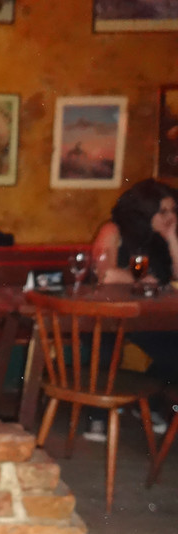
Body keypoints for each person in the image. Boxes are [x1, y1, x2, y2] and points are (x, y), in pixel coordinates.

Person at [85, 179, 178, 439]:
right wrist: (139, 279)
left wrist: (172, 238)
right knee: (105, 346)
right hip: (108, 313)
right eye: (163, 211)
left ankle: (149, 402)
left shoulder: (162, 238)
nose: (170, 217)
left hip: (149, 317)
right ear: (144, 210)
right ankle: (97, 417)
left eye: (173, 210)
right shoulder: (113, 230)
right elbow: (105, 275)